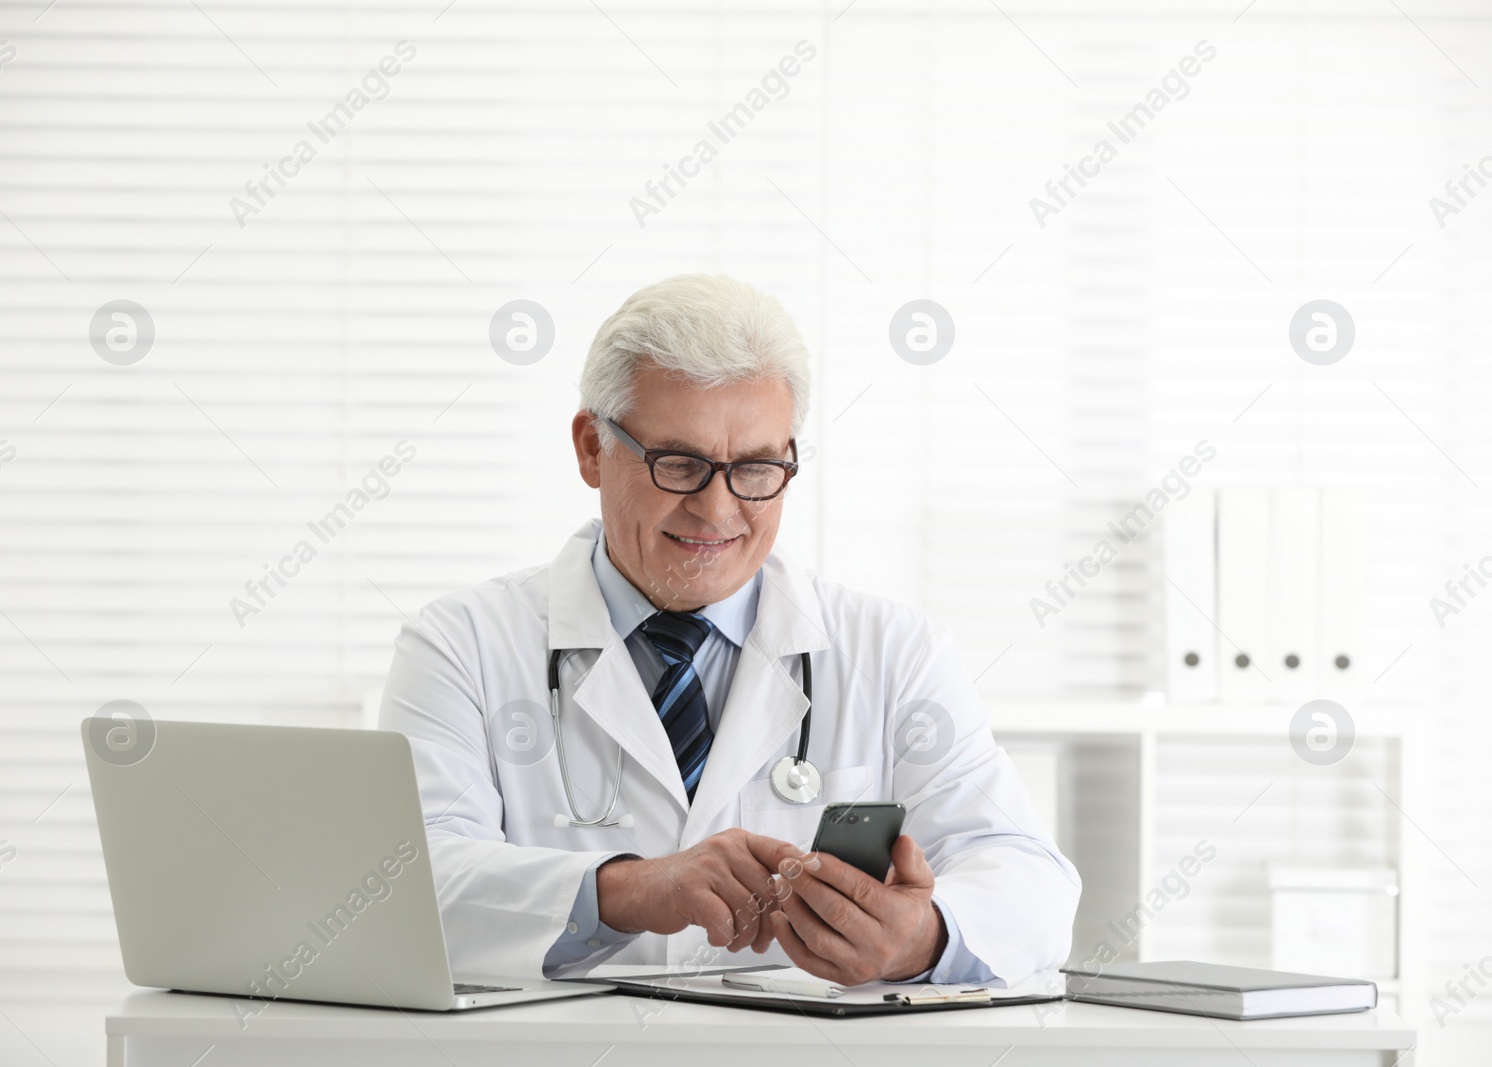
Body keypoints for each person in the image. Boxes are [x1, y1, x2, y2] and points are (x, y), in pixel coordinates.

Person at [378, 274, 1079, 985]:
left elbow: (1029, 881)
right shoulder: (461, 645)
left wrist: (923, 937)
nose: (716, 511)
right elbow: (407, 886)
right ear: (592, 447)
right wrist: (631, 889)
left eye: (755, 468)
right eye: (679, 464)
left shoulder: (895, 652)